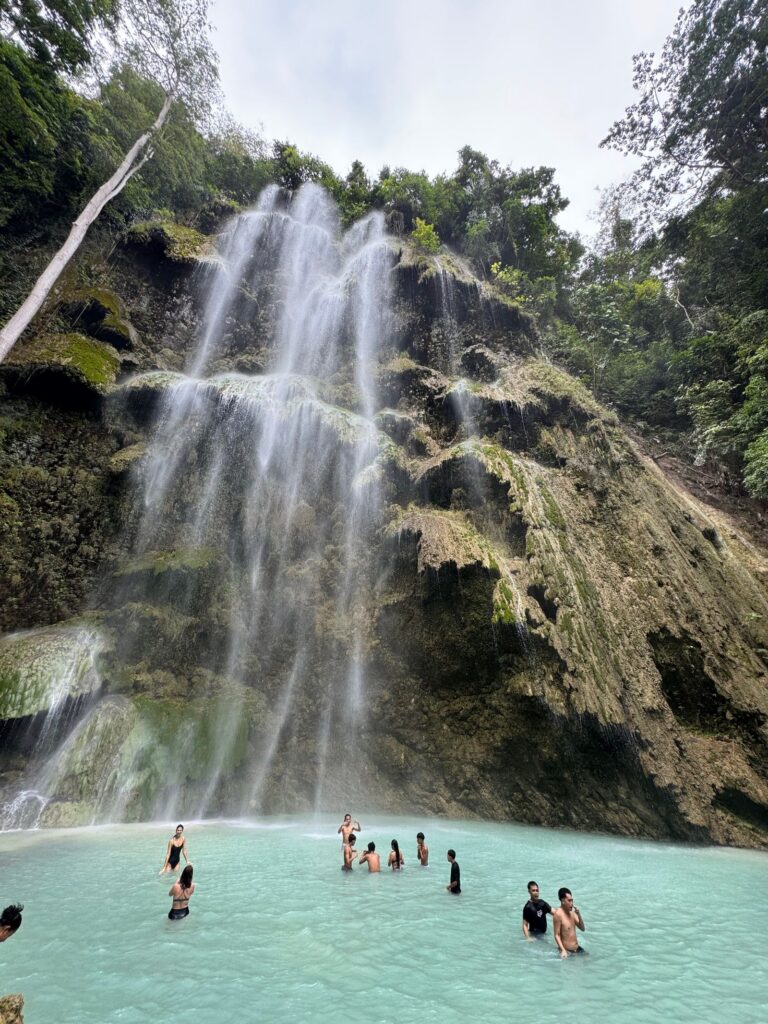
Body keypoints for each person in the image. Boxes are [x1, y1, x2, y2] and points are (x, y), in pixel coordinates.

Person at [553, 887, 586, 956]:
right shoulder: (558, 914)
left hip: (577, 948)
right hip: (568, 951)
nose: (572, 903)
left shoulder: (572, 913)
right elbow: (557, 935)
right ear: (563, 901)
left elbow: (583, 928)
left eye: (572, 900)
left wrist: (578, 914)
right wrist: (563, 950)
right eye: (569, 901)